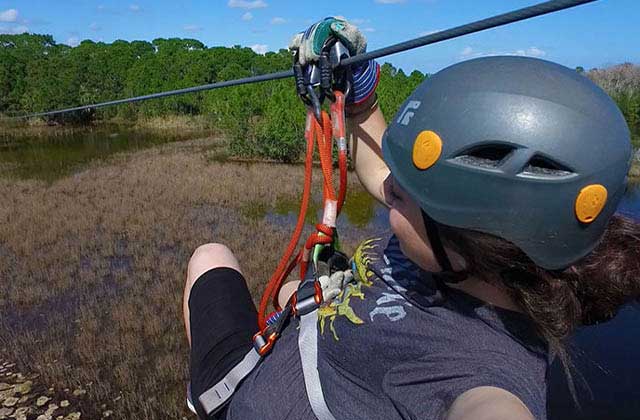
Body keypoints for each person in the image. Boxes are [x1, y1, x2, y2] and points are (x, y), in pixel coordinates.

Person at [182, 18, 640, 420]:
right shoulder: (458, 253)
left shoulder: (481, 372)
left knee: (214, 259)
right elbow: (383, 166)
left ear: (473, 236)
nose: (388, 189)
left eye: (401, 196)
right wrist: (358, 92)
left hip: (240, 393)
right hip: (303, 338)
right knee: (237, 267)